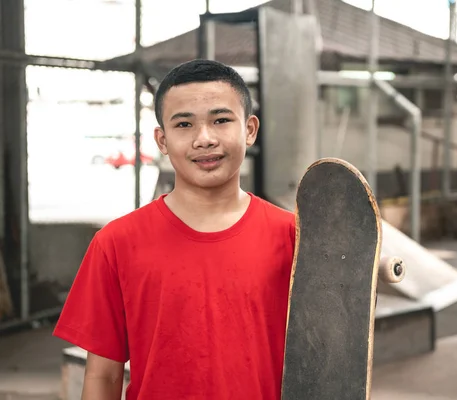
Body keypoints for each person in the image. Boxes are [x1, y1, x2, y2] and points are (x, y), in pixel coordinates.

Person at [53, 59, 296, 399]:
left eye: (222, 120)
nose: (204, 139)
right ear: (162, 140)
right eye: (184, 124)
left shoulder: (294, 238)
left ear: (250, 129)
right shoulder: (117, 243)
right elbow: (103, 377)